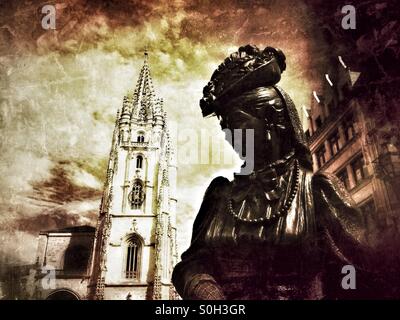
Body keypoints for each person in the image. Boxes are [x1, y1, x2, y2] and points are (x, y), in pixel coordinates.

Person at [172, 45, 378, 300]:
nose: (227, 136)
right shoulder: (221, 196)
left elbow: (363, 273)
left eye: (235, 126)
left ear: (270, 122)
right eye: (224, 128)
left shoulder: (316, 191)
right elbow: (191, 265)